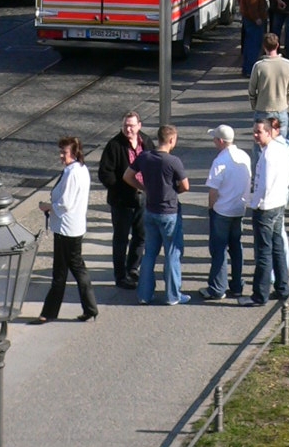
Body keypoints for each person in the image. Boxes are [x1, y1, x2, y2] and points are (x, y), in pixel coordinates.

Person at [35, 136, 97, 322]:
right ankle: (90, 308)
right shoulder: (81, 169)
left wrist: (47, 206)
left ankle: (49, 313)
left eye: (64, 152)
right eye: (61, 152)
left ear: (74, 153)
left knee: (61, 273)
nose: (61, 156)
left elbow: (65, 204)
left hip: (66, 228)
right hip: (74, 226)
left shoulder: (72, 173)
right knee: (77, 267)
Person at [128, 124, 190, 306]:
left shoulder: (144, 157)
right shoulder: (173, 161)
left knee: (150, 253)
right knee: (172, 253)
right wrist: (174, 191)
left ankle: (144, 294)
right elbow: (185, 186)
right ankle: (172, 295)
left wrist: (143, 188)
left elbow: (127, 176)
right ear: (171, 140)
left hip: (150, 210)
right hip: (169, 212)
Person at [98, 110, 152, 289]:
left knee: (141, 235)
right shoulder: (114, 145)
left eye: (131, 125)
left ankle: (133, 268)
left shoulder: (146, 142)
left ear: (139, 126)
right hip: (122, 201)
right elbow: (105, 174)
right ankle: (120, 276)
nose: (128, 129)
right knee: (121, 239)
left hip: (143, 198)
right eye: (125, 126)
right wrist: (120, 189)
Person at [201, 124, 251, 301]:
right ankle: (237, 286)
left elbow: (213, 191)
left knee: (219, 249)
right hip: (239, 209)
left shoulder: (220, 161)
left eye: (215, 138)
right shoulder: (244, 156)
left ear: (221, 141)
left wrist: (211, 208)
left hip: (222, 210)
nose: (214, 141)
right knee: (236, 248)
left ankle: (217, 288)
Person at [248, 116, 289, 305]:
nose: (255, 135)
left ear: (269, 132)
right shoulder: (280, 150)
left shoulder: (267, 155)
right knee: (277, 248)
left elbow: (263, 185)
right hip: (279, 204)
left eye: (258, 132)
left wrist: (256, 203)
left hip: (266, 208)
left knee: (263, 252)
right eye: (254, 132)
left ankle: (260, 295)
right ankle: (282, 288)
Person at [248, 31, 289, 131]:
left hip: (262, 108)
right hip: (281, 109)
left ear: (264, 46)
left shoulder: (259, 66)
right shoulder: (288, 64)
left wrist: (255, 105)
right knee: (281, 140)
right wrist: (285, 103)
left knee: (261, 139)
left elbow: (251, 90)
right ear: (278, 45)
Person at [238, 0, 270, 77]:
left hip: (254, 17)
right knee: (253, 45)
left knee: (250, 44)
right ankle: (249, 69)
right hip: (253, 19)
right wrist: (256, 17)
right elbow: (252, 2)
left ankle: (247, 68)